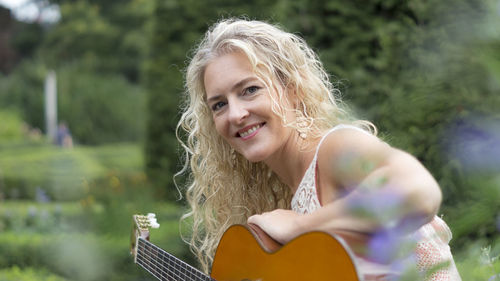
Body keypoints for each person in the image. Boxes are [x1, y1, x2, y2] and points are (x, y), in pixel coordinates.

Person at [176, 18, 461, 280]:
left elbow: (419, 193)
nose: (235, 114)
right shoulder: (285, 197)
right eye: (219, 104)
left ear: (293, 88)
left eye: (250, 90)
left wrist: (301, 227)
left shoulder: (336, 149)